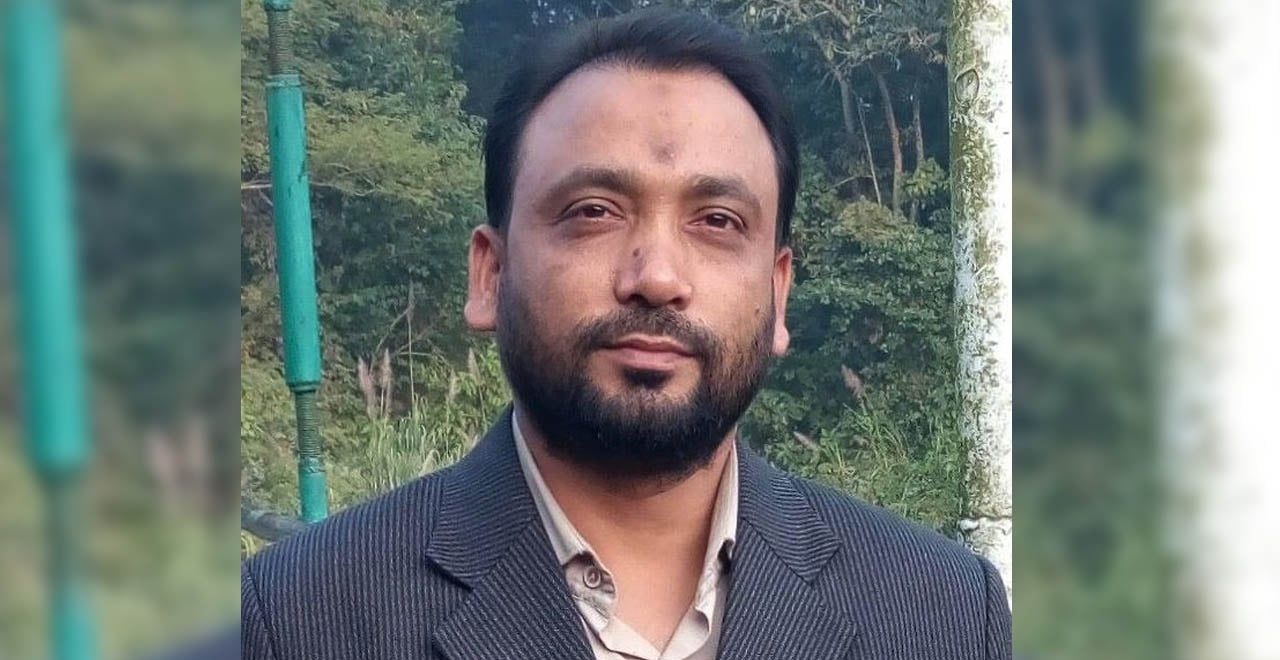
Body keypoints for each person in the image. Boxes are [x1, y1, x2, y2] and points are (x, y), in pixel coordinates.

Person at [241, 7, 1012, 659]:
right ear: (490, 273)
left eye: (718, 221)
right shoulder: (295, 617)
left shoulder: (943, 614)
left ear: (778, 294)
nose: (657, 275)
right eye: (594, 212)